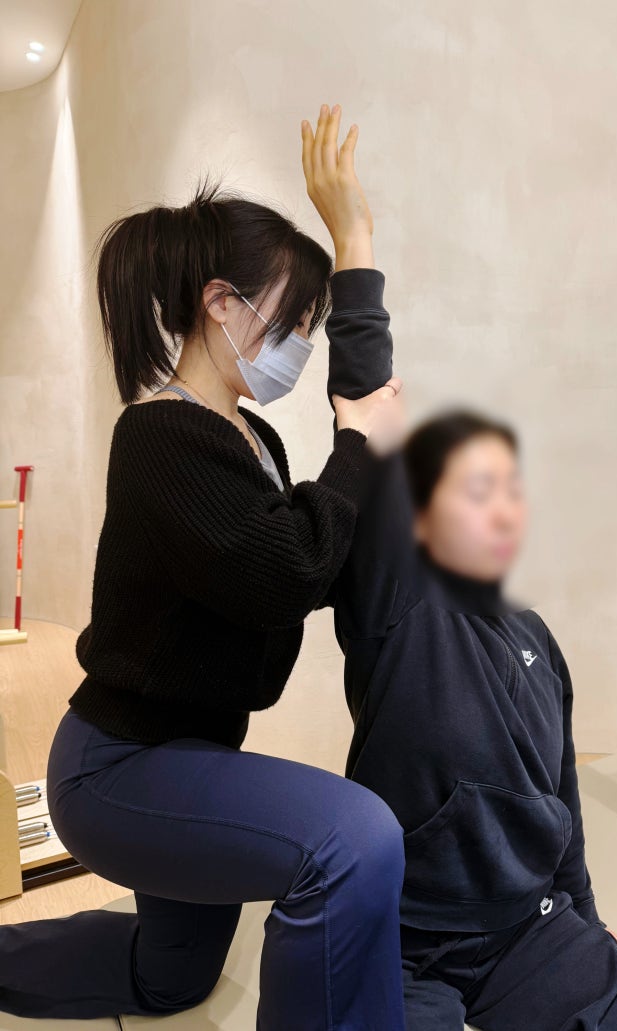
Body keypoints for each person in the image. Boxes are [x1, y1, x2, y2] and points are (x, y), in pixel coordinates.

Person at [0, 104, 408, 1031]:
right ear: (222, 304)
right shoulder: (158, 436)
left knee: (172, 978)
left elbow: (318, 551)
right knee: (353, 840)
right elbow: (285, 569)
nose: (300, 343)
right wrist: (353, 440)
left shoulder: (253, 438)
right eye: (293, 320)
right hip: (117, 767)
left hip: (192, 751)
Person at [321, 262, 617, 1029]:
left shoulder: (537, 641)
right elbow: (365, 409)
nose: (499, 510)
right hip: (398, 934)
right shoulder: (399, 599)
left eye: (510, 491)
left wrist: (586, 925)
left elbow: (562, 800)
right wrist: (354, 248)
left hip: (525, 929)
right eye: (474, 490)